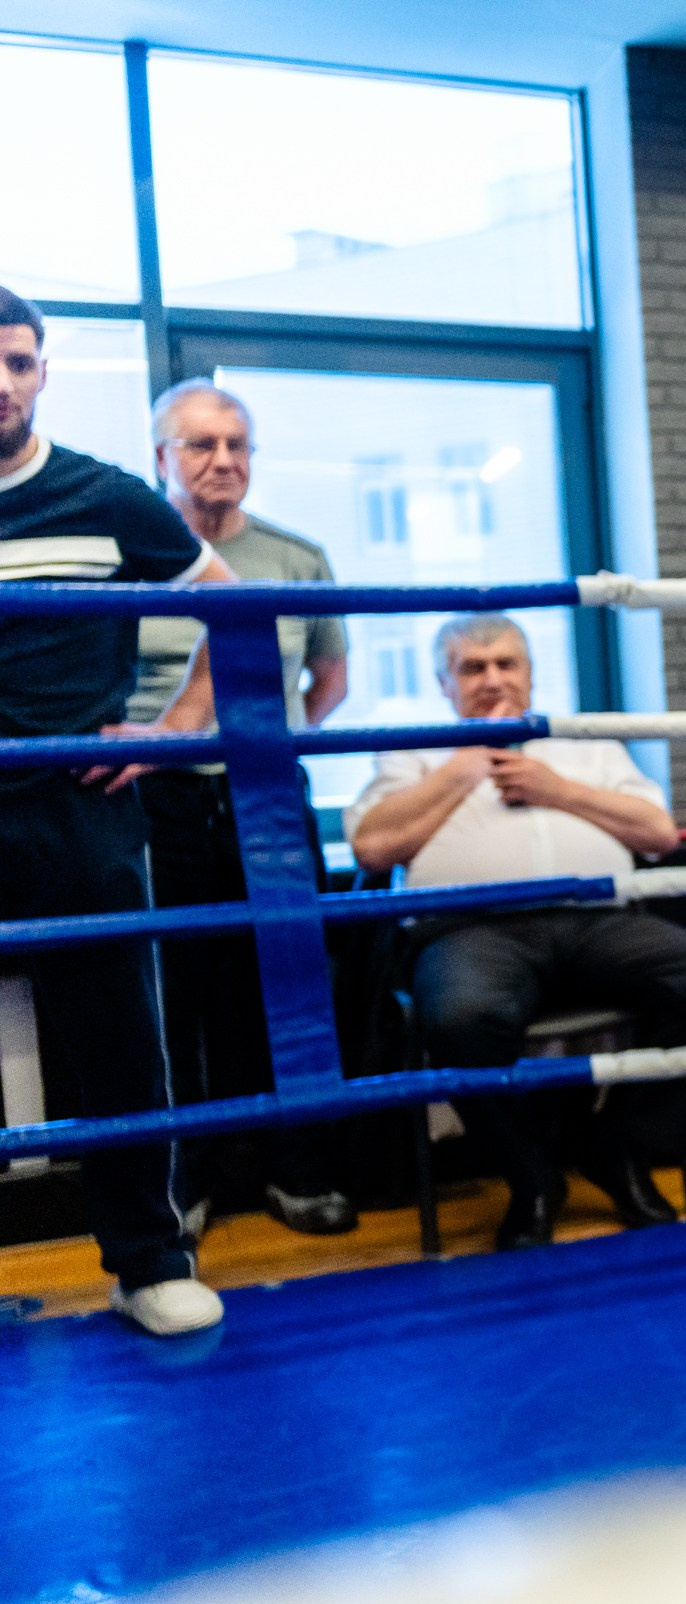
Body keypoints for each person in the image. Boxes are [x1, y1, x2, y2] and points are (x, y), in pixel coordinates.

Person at [345, 614, 686, 1250]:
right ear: (444, 682)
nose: (492, 679)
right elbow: (371, 848)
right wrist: (460, 769)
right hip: (471, 929)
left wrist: (556, 790)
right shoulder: (416, 748)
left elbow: (658, 834)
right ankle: (531, 1176)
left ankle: (615, 1146)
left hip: (596, 920)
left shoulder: (585, 743)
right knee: (458, 1019)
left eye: (507, 664)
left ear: (531, 674)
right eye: (472, 668)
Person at [0, 285, 238, 1336]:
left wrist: (171, 728)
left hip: (78, 805)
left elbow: (230, 600)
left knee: (117, 1037)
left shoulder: (101, 497)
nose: (1, 383)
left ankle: (147, 1259)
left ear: (42, 372)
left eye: (17, 361)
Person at [130, 379, 356, 1236]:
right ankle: (181, 1186)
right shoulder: (129, 554)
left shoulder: (297, 557)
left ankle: (299, 1174)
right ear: (162, 459)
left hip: (268, 793)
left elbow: (329, 679)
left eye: (237, 445)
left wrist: (267, 735)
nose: (222, 461)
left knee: (291, 980)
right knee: (169, 995)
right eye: (200, 445)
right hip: (157, 802)